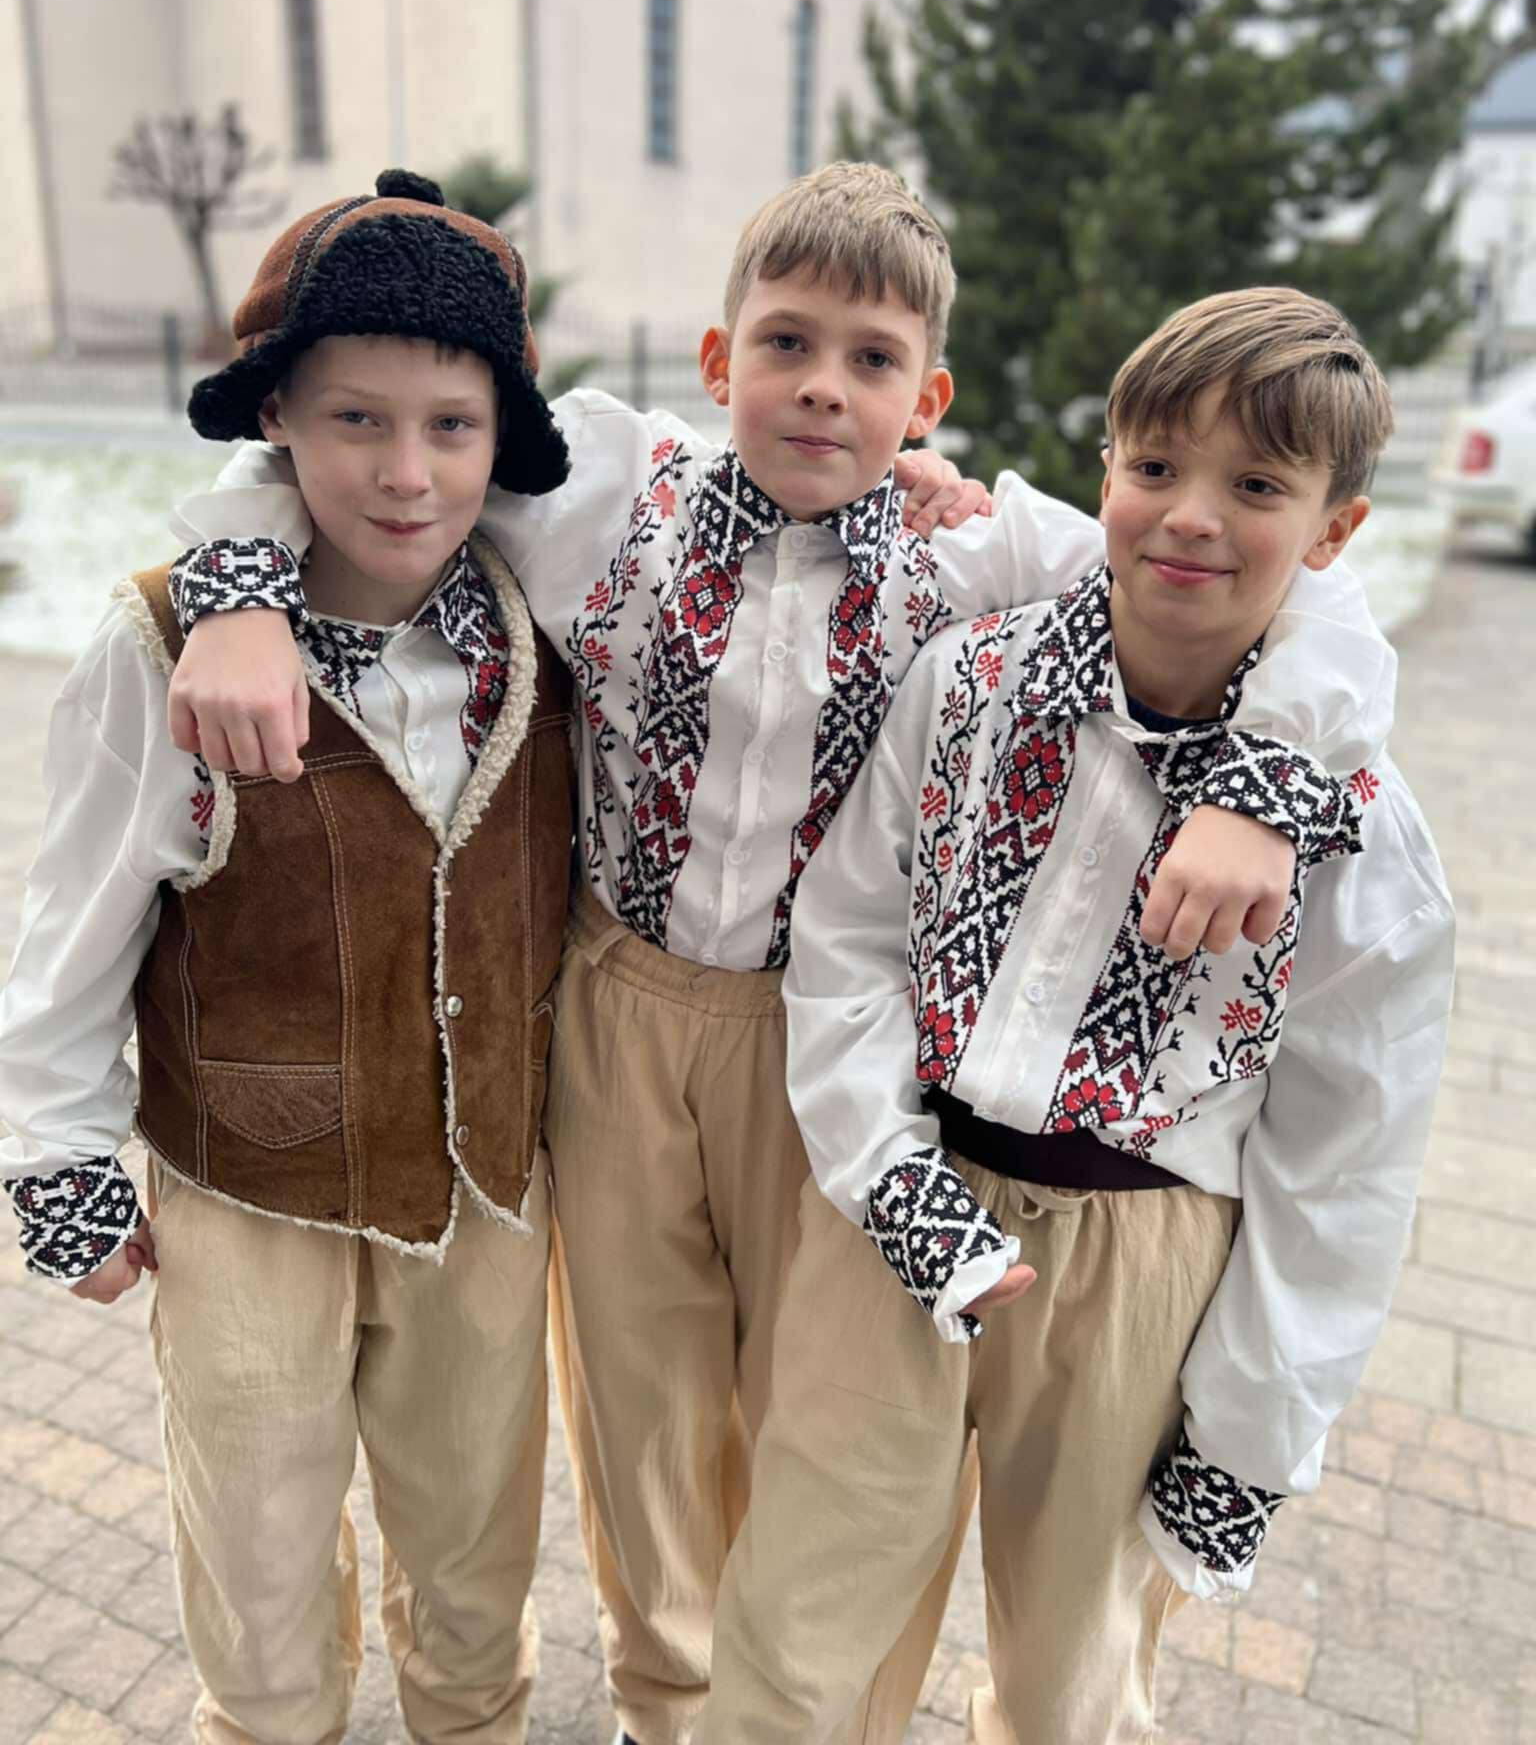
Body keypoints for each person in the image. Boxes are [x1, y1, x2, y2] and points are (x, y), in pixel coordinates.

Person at [159, 168, 1396, 1745]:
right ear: (717, 358)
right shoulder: (604, 490)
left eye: (872, 360)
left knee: (807, 1406)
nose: (823, 386)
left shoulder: (986, 556)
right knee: (640, 1393)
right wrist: (234, 599)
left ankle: (772, 1687)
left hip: (831, 1040)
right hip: (616, 1006)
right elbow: (366, 452)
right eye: (788, 343)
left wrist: (1267, 781)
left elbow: (1288, 592)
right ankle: (665, 1698)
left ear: (927, 395)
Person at [691, 287, 1455, 1745]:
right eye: (1155, 467)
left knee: (1071, 1679)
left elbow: (1350, 1152)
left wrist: (1252, 1429)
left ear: (1335, 531)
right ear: (1106, 467)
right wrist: (883, 1171)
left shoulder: (1357, 830)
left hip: (1139, 1265)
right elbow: (850, 940)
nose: (1191, 518)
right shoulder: (973, 683)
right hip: (899, 1210)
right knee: (796, 1633)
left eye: (1259, 488)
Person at [0, 170, 576, 1745]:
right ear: (278, 422)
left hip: (481, 1198)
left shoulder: (553, 621)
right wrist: (59, 1162)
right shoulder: (159, 647)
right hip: (246, 1194)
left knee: (477, 1559)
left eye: (450, 426)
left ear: (501, 439)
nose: (406, 471)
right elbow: (70, 934)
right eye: (354, 421)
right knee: (256, 1577)